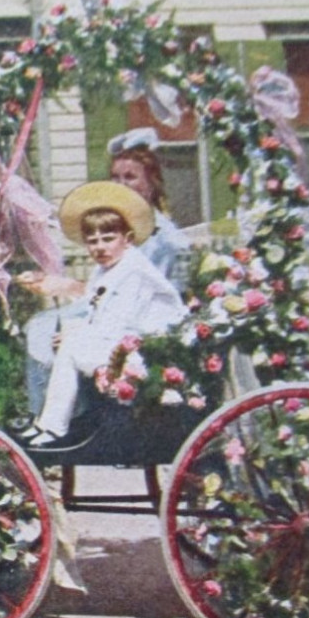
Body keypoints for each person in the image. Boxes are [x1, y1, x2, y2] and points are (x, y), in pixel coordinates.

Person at [23, 128, 191, 411]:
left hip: (145, 325)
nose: (122, 184)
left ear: (151, 183)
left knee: (44, 328)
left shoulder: (162, 238)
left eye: (131, 177)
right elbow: (103, 289)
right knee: (41, 325)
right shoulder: (122, 227)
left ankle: (62, 415)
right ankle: (54, 411)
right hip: (115, 311)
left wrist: (82, 326)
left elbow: (136, 302)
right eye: (116, 177)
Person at [17, 182, 186, 448]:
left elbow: (118, 324)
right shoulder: (105, 270)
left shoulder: (134, 271)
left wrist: (78, 335)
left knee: (71, 347)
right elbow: (94, 310)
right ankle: (51, 420)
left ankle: (55, 427)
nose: (99, 248)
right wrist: (76, 330)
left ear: (127, 239)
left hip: (145, 352)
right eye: (92, 241)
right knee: (56, 334)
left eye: (108, 239)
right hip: (122, 344)